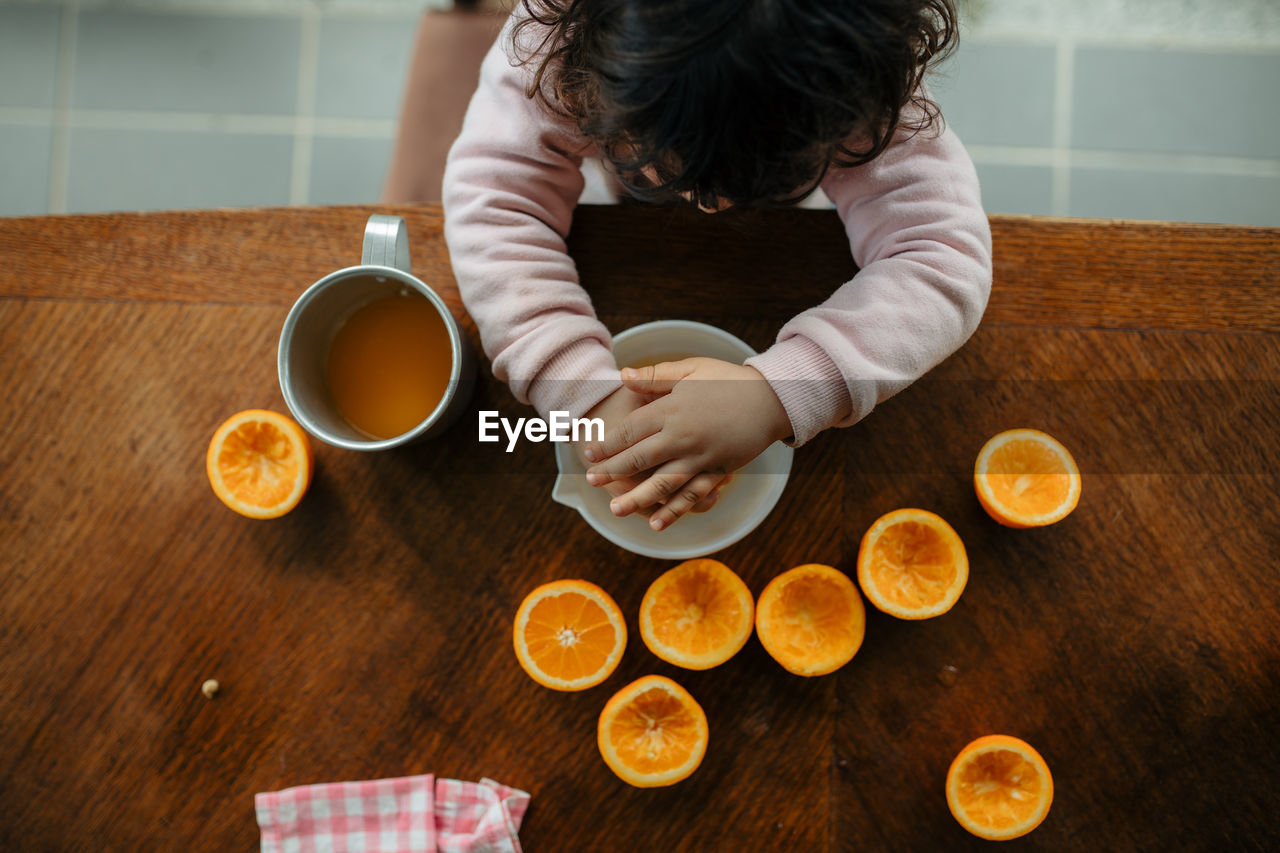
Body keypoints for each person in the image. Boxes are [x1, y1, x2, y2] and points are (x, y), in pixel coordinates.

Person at [442, 0, 992, 531]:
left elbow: (942, 255)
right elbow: (495, 202)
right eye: (662, 160)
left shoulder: (854, 70)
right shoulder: (552, 47)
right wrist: (583, 395)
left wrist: (777, 395)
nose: (710, 207)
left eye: (760, 177)